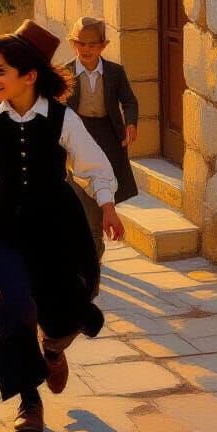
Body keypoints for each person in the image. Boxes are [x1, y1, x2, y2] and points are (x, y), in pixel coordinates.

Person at [0, 20, 124, 432]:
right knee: (14, 302)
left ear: (29, 76)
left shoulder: (62, 118)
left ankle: (54, 346)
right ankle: (29, 398)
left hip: (55, 224)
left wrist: (108, 206)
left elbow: (95, 167)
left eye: (0, 70)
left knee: (63, 306)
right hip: (1, 223)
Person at [66, 17, 139, 274]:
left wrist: (130, 124)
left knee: (101, 193)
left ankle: (93, 252)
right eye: (81, 44)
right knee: (81, 195)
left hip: (107, 136)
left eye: (92, 45)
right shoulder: (65, 74)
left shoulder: (115, 73)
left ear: (103, 45)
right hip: (77, 135)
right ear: (74, 44)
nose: (86, 50)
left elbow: (129, 101)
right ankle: (89, 247)